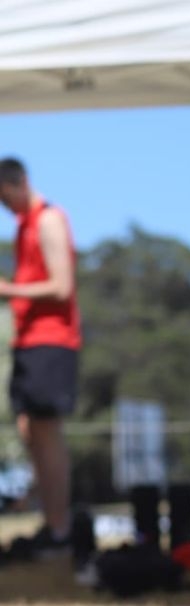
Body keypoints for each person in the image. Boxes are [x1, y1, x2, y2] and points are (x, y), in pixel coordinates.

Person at [0, 157, 81, 558]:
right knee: (30, 429)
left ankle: (61, 530)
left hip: (52, 339)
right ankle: (52, 525)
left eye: (4, 196)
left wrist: (8, 290)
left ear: (20, 183)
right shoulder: (23, 224)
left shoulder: (48, 219)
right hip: (28, 340)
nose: (4, 206)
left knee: (47, 432)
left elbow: (62, 286)